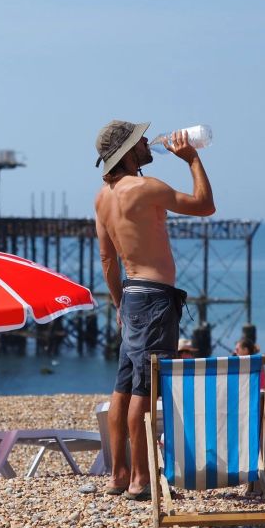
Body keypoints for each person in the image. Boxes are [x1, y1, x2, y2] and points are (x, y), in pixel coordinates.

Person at [93, 120, 215, 500]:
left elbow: (107, 259)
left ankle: (117, 475)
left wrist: (118, 304)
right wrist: (192, 159)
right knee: (146, 388)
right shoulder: (146, 188)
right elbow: (205, 205)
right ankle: (141, 479)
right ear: (129, 153)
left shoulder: (103, 196)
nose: (148, 142)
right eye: (139, 140)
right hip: (156, 297)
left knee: (124, 386)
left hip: (130, 295)